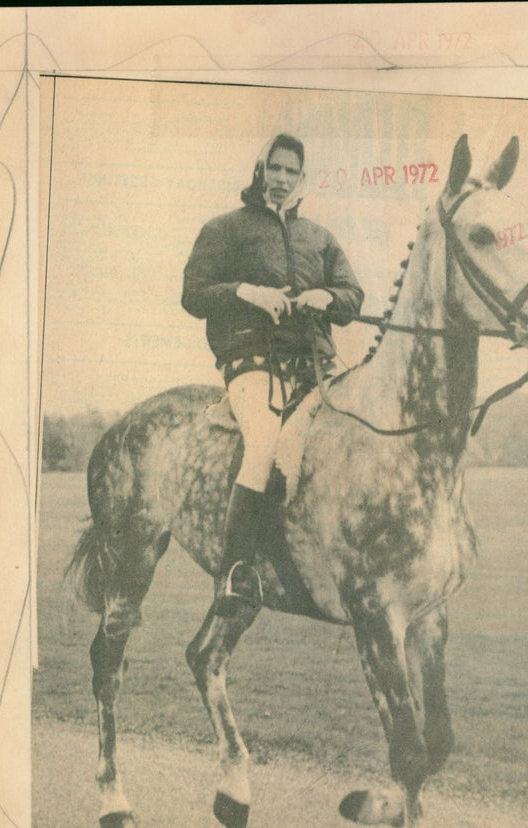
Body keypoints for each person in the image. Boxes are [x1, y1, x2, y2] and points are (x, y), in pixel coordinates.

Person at [182, 133, 364, 615]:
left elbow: (353, 297)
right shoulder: (224, 229)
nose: (282, 179)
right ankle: (236, 574)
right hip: (252, 363)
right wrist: (247, 291)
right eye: (275, 169)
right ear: (261, 170)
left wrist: (327, 297)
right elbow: (192, 295)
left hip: (315, 370)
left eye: (292, 172)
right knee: (262, 443)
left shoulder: (320, 239)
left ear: (302, 179)